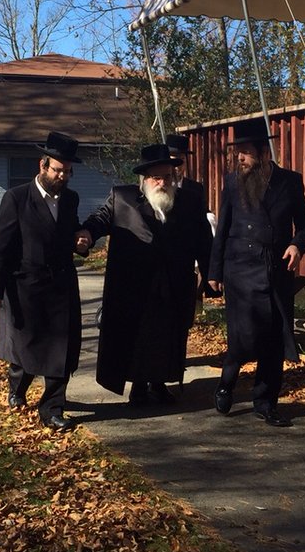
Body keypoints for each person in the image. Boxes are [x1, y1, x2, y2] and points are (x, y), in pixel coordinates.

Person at [77, 142, 212, 405]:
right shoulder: (123, 198)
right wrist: (86, 235)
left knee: (167, 336)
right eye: (157, 177)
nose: (163, 182)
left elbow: (203, 240)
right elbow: (100, 219)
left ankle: (160, 383)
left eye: (168, 176)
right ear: (145, 179)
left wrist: (211, 274)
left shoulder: (189, 201)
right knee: (139, 337)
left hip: (173, 284)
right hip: (136, 285)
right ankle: (138, 387)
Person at [207, 117, 305, 427]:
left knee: (273, 339)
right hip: (240, 269)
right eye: (236, 152)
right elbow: (222, 230)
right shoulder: (232, 183)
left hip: (275, 269)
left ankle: (265, 402)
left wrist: (297, 245)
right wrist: (215, 271)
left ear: (263, 152)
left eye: (245, 151)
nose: (239, 158)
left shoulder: (289, 182)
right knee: (243, 336)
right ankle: (227, 380)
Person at [0, 131, 85, 431]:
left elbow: (69, 233)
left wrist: (80, 242)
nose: (63, 177)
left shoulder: (70, 199)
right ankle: (17, 389)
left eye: (68, 172)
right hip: (26, 286)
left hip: (62, 285)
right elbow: (0, 247)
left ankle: (52, 409)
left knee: (61, 350)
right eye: (58, 170)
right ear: (43, 166)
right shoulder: (16, 198)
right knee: (27, 351)